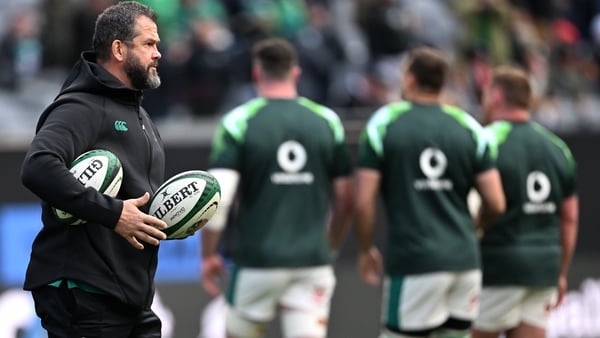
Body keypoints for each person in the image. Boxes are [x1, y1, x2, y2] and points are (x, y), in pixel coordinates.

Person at [20, 2, 170, 336]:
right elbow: (38, 166)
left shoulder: (142, 116)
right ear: (118, 48)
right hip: (84, 294)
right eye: (149, 44)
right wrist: (114, 214)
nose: (158, 53)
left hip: (130, 299)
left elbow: (137, 202)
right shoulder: (80, 105)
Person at [201, 37, 354, 338]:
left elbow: (218, 200)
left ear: (257, 73)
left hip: (258, 260)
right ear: (295, 73)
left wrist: (208, 254)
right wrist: (329, 245)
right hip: (312, 260)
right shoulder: (327, 121)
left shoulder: (239, 122)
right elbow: (346, 200)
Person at [354, 47, 506, 338]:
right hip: (465, 264)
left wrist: (365, 248)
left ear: (409, 79)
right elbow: (496, 203)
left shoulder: (384, 123)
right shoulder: (470, 128)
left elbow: (363, 202)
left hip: (415, 263)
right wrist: (474, 228)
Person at [471, 67, 578, 338]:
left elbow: (471, 208)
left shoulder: (485, 140)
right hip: (543, 270)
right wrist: (561, 272)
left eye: (484, 95)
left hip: (496, 269)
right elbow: (570, 217)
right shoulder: (557, 148)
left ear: (496, 96)